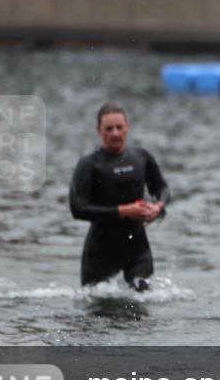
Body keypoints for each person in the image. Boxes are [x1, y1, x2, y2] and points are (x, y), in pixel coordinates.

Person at [69, 102, 170, 291]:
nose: (115, 133)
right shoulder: (90, 164)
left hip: (137, 249)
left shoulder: (141, 157)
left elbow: (162, 188)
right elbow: (77, 208)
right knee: (100, 308)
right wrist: (123, 211)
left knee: (143, 301)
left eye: (119, 127)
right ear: (99, 130)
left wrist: (158, 207)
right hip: (100, 254)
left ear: (127, 127)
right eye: (109, 128)